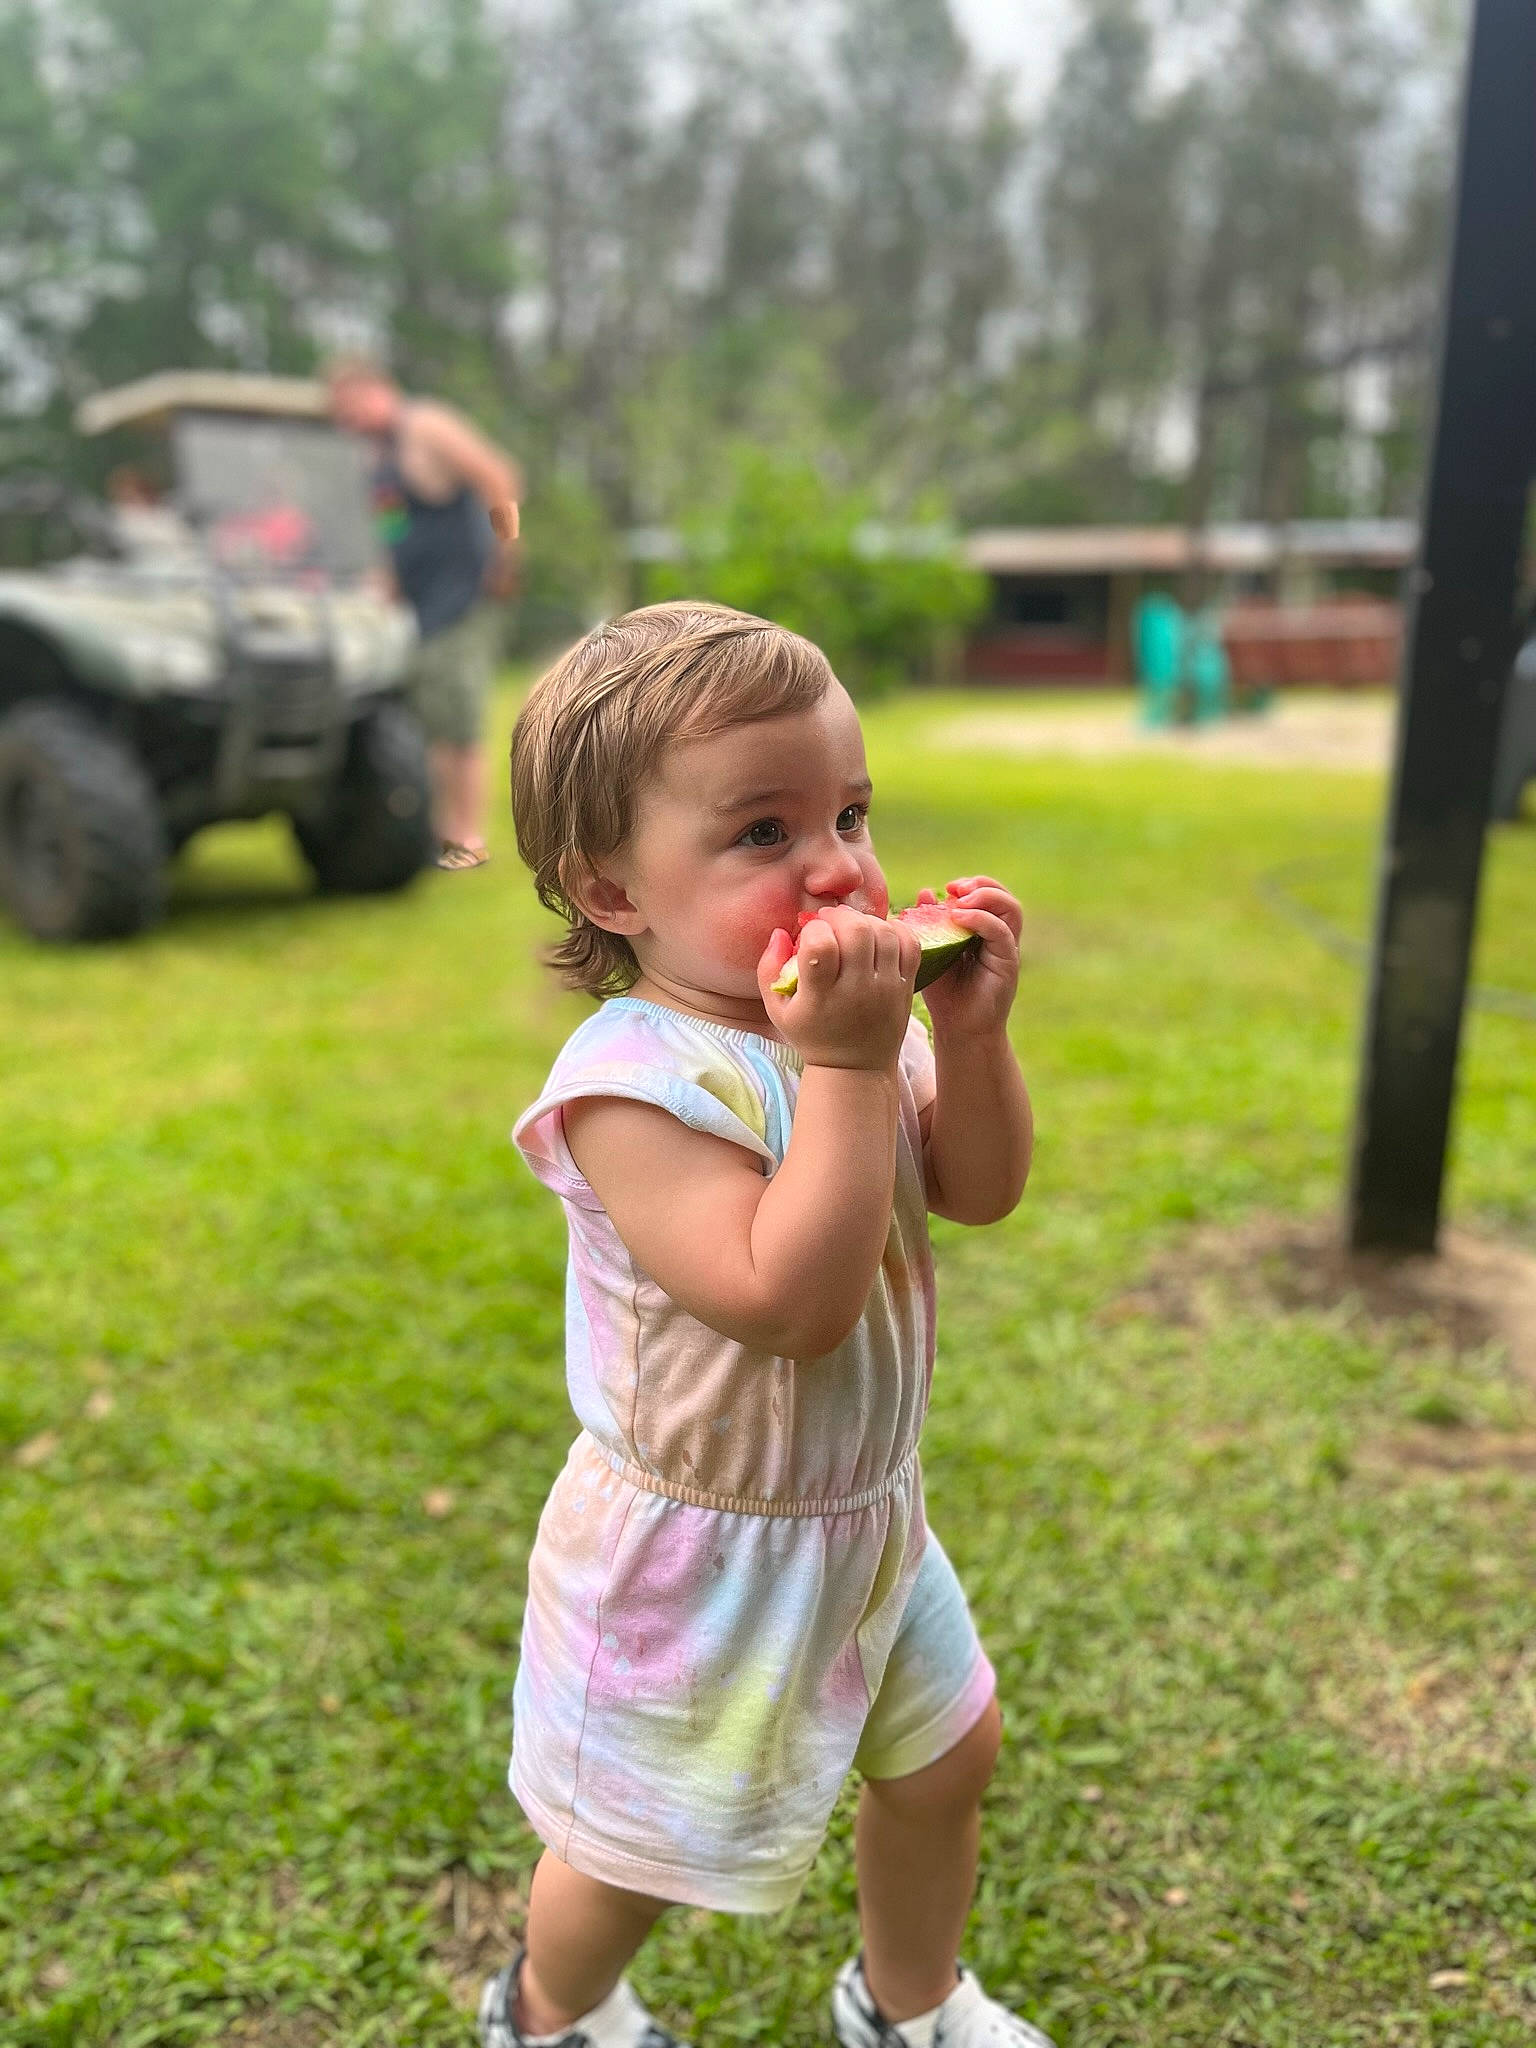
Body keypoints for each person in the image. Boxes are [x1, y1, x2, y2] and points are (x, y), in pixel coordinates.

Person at [490, 601, 1048, 2048]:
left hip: (863, 1519)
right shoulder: (632, 1082)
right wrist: (855, 1068)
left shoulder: (850, 1022)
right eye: (761, 833)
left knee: (947, 1754)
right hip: (696, 1558)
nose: (837, 864)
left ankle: (907, 2004)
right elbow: (791, 1307)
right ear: (609, 889)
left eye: (851, 811)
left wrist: (967, 1039)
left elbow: (977, 1192)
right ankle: (551, 2012)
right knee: (626, 1860)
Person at [325, 353, 521, 870]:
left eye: (349, 407)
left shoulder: (427, 425)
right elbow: (392, 529)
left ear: (376, 390)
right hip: (419, 608)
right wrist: (387, 581)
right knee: (429, 722)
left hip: (463, 597)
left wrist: (507, 553)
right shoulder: (377, 458)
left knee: (459, 725)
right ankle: (441, 833)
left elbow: (498, 475)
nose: (346, 421)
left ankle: (470, 840)